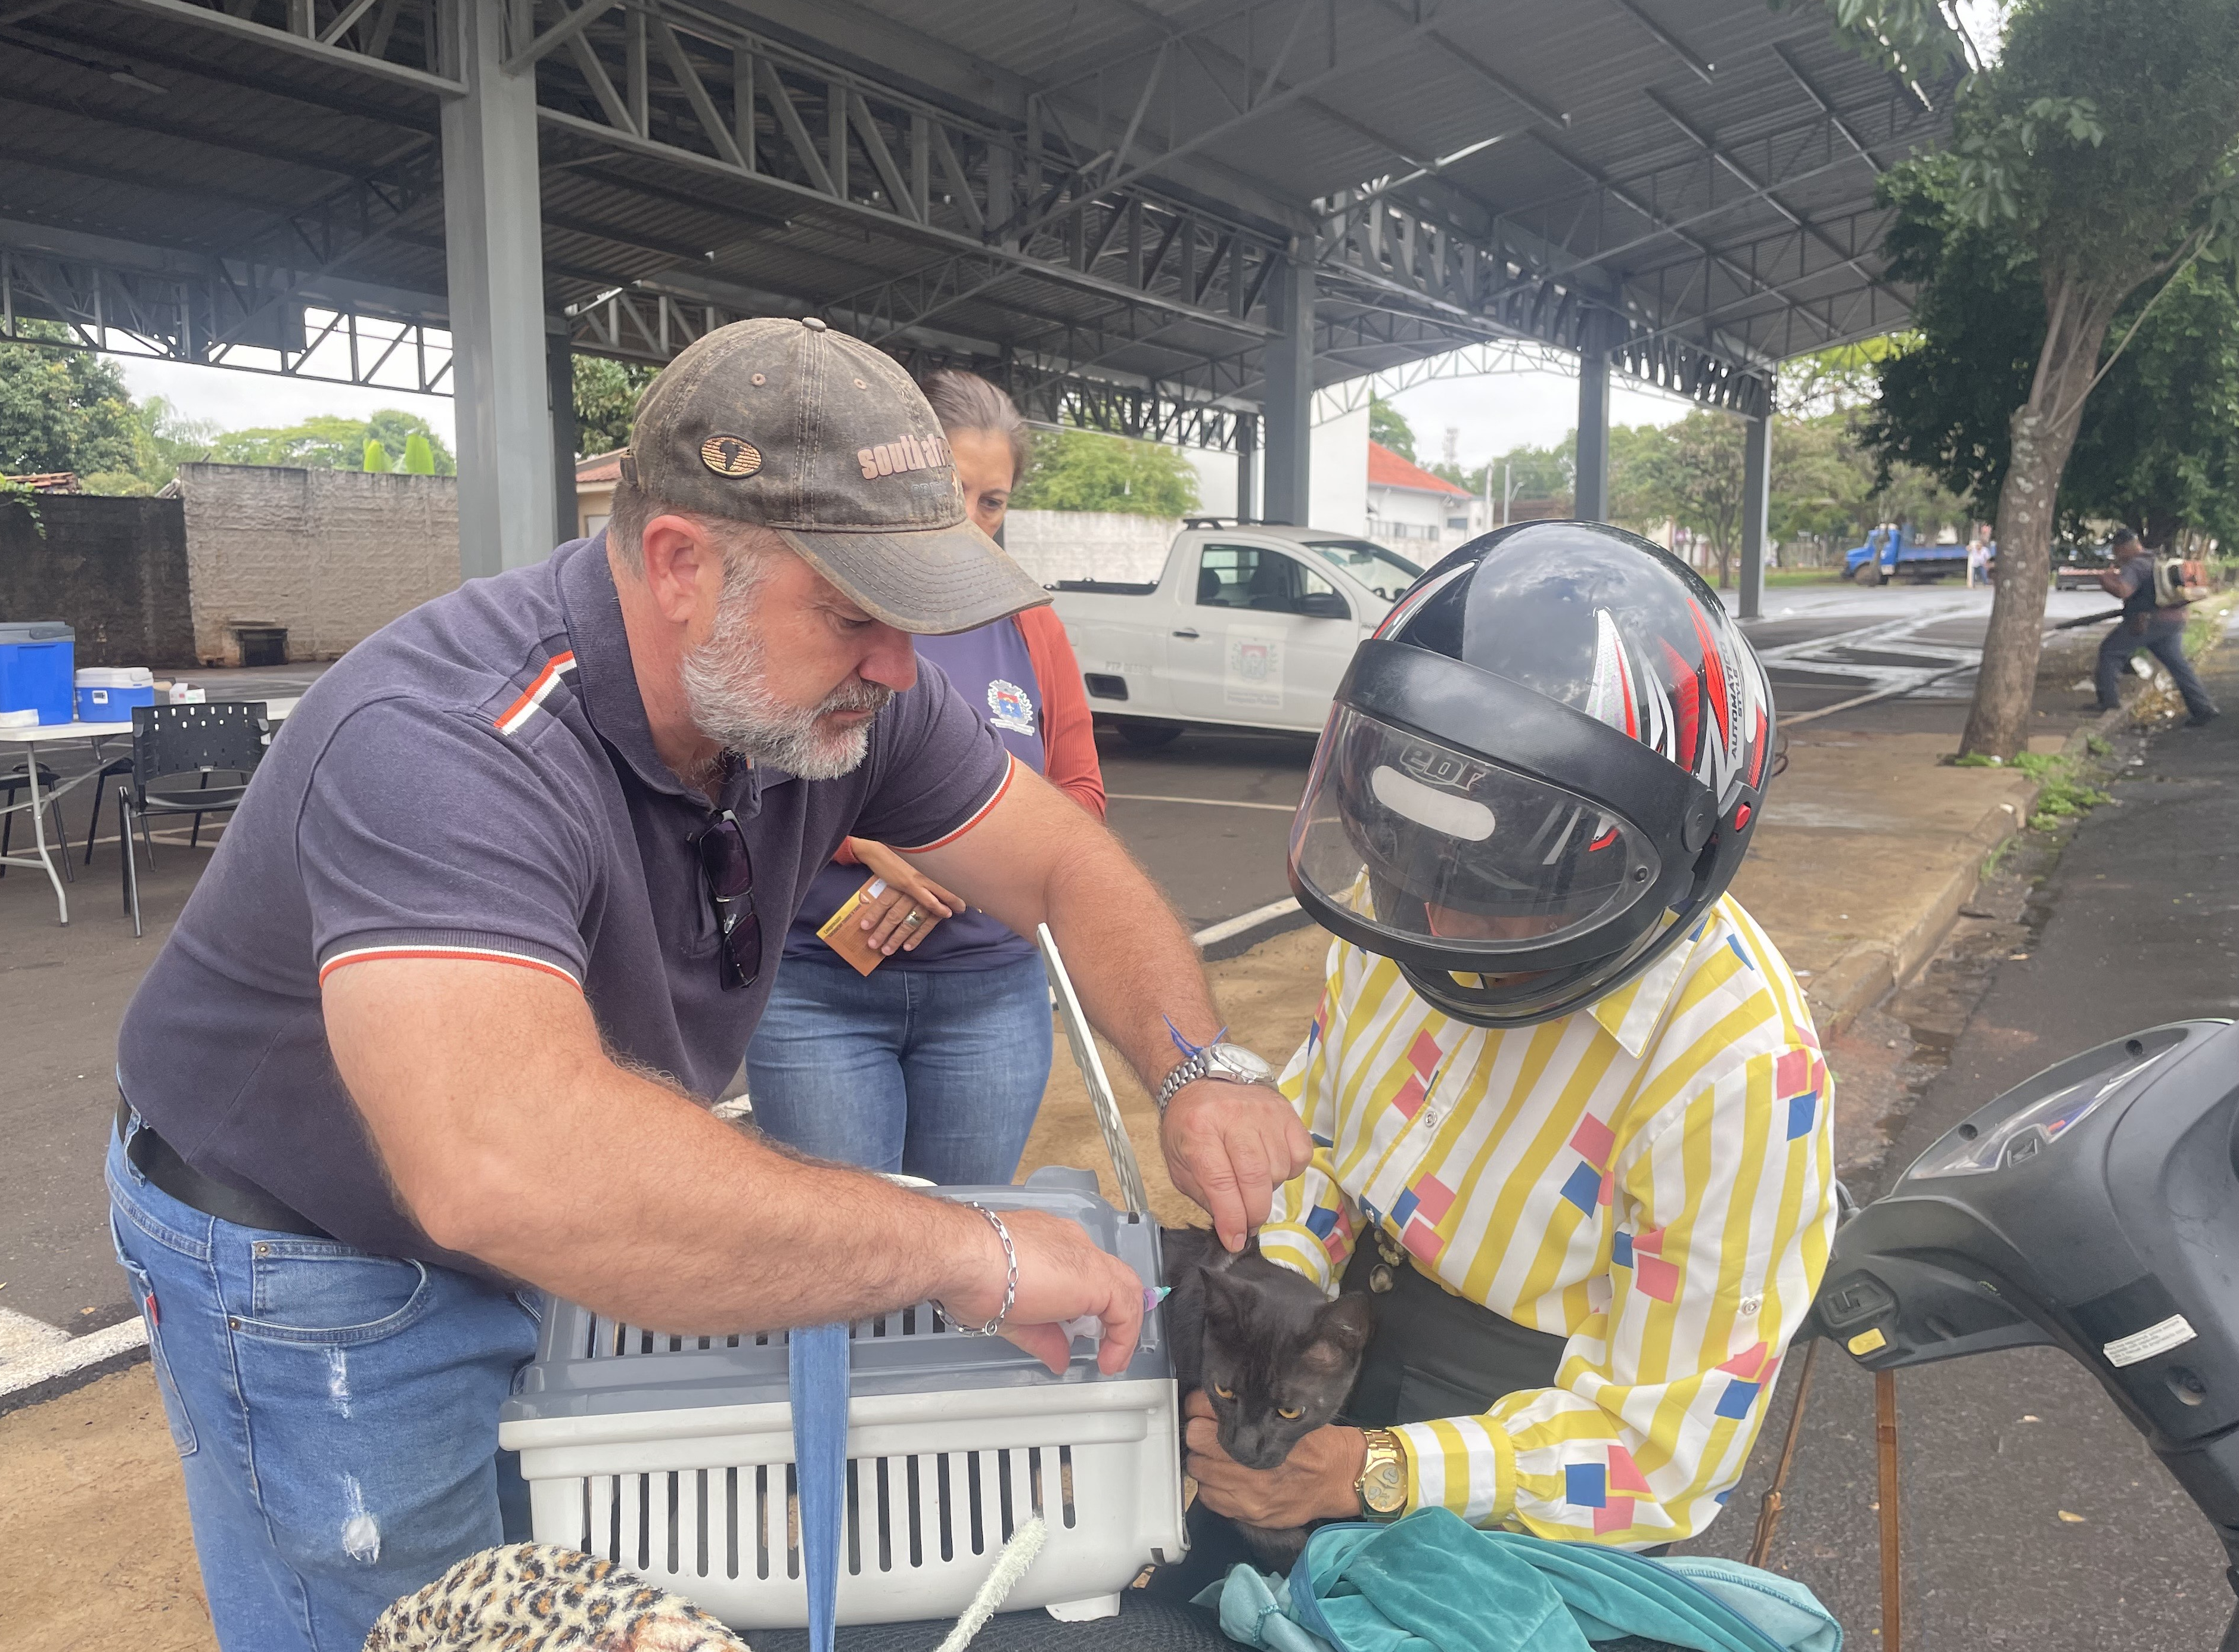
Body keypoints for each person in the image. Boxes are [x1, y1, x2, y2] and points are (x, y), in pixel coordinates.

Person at [104, 317, 1310, 1652]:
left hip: (526, 1225)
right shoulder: (448, 742)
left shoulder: (839, 696)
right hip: (316, 1262)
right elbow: (506, 1164)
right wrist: (975, 1255)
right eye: (854, 614)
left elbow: (1066, 864)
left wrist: (1199, 1064)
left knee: (558, 1582)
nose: (902, 668)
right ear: (681, 562)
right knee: (408, 1623)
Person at [1170, 521, 1836, 1560]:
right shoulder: (1403, 903)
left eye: (1501, 898)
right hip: (1330, 1345)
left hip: (1533, 1433)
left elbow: (1662, 1457)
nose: (1438, 931)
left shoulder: (1737, 1070)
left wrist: (1369, 1472)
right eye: (1413, 869)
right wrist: (1273, 1311)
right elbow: (1328, 1137)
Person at [744, 371, 1101, 1182]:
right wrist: (862, 844)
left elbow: (1081, 796)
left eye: (993, 501)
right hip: (816, 994)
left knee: (965, 1263)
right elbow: (747, 766)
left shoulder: (1031, 624)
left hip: (990, 1004)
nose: (972, 523)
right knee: (838, 1272)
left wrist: (981, 858)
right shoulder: (825, 598)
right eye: (951, 492)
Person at [2095, 526, 2218, 728]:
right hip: (2174, 620)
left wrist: (2105, 580)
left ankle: (2108, 702)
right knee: (2178, 665)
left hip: (2147, 621)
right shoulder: (2156, 559)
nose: (2115, 554)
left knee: (2110, 651)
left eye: (2116, 549)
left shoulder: (2134, 565)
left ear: (2125, 548)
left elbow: (2124, 591)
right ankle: (2203, 709)